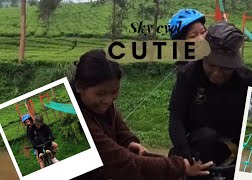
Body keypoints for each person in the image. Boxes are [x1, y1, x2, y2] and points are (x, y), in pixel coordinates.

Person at [71, 49, 213, 180]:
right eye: (100, 93)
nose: (108, 100)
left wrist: (129, 142)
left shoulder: (100, 106)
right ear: (79, 86)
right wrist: (180, 167)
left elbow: (121, 130)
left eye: (114, 92)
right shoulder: (75, 119)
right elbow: (123, 163)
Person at [168, 21, 252, 180]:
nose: (217, 73)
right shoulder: (188, 75)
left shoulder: (250, 83)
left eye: (225, 67)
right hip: (198, 147)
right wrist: (187, 157)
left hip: (234, 150)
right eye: (211, 64)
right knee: (207, 137)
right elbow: (176, 118)